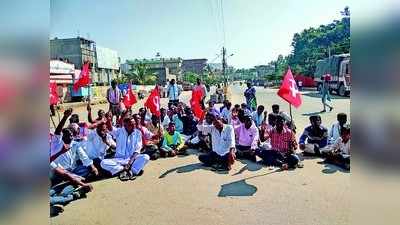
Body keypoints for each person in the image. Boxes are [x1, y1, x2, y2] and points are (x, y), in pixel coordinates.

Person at [50, 108, 99, 184]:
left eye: (74, 134)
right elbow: (57, 132)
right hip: (59, 172)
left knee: (87, 169)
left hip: (72, 170)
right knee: (67, 179)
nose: (72, 136)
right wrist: (65, 117)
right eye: (70, 134)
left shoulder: (75, 143)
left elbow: (84, 157)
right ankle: (74, 182)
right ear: (63, 135)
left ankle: (75, 181)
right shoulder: (57, 142)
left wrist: (92, 167)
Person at [101, 117, 150, 181]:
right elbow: (111, 129)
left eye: (134, 124)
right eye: (131, 125)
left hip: (132, 159)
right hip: (119, 160)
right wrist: (109, 119)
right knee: (103, 162)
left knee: (146, 157)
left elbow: (137, 150)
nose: (134, 126)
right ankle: (124, 170)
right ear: (125, 126)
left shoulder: (138, 133)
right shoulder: (119, 131)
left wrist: (129, 163)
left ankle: (131, 171)